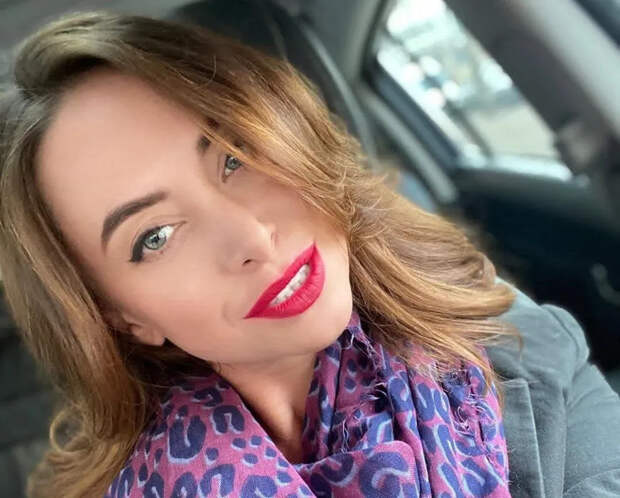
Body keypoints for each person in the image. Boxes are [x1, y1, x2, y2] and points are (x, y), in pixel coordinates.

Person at [0, 11, 618, 498]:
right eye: (155, 236)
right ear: (122, 316)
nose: (251, 237)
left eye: (236, 157)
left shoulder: (511, 339)